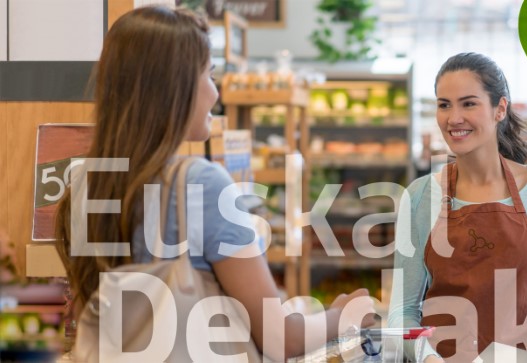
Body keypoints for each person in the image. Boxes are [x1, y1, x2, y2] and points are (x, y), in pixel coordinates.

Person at [53, 6, 373, 361]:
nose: (215, 93)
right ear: (176, 86)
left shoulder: (84, 186)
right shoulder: (201, 185)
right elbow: (282, 340)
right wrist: (342, 316)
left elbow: (88, 319)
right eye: (209, 74)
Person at [389, 52, 527, 362]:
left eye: (468, 103)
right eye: (444, 104)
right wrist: (429, 359)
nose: (453, 118)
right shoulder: (420, 196)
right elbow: (401, 312)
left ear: (500, 109)